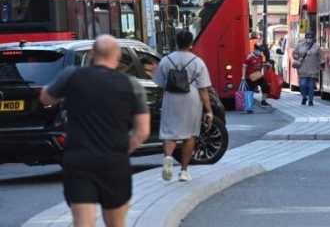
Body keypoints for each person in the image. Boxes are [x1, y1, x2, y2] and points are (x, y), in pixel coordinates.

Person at [39, 35, 150, 227]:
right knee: (116, 223)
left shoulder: (72, 76)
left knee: (83, 223)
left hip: (80, 162)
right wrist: (123, 150)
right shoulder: (131, 85)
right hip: (115, 163)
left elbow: (45, 98)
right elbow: (142, 131)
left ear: (92, 54)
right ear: (117, 56)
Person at [153, 30, 214, 182]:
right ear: (191, 43)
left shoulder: (166, 60)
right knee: (189, 136)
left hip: (171, 99)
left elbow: (159, 83)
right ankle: (184, 171)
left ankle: (168, 157)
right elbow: (203, 88)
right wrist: (208, 110)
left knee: (170, 134)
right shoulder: (197, 62)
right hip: (191, 100)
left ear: (176, 42)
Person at [293, 32, 321, 106]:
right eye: (307, 38)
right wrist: (298, 57)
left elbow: (320, 57)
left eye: (310, 38)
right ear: (305, 38)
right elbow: (294, 53)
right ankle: (304, 97)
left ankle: (311, 100)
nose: (309, 39)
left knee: (311, 86)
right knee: (302, 84)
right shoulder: (300, 45)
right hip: (302, 69)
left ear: (313, 39)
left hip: (313, 69)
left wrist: (320, 66)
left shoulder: (316, 47)